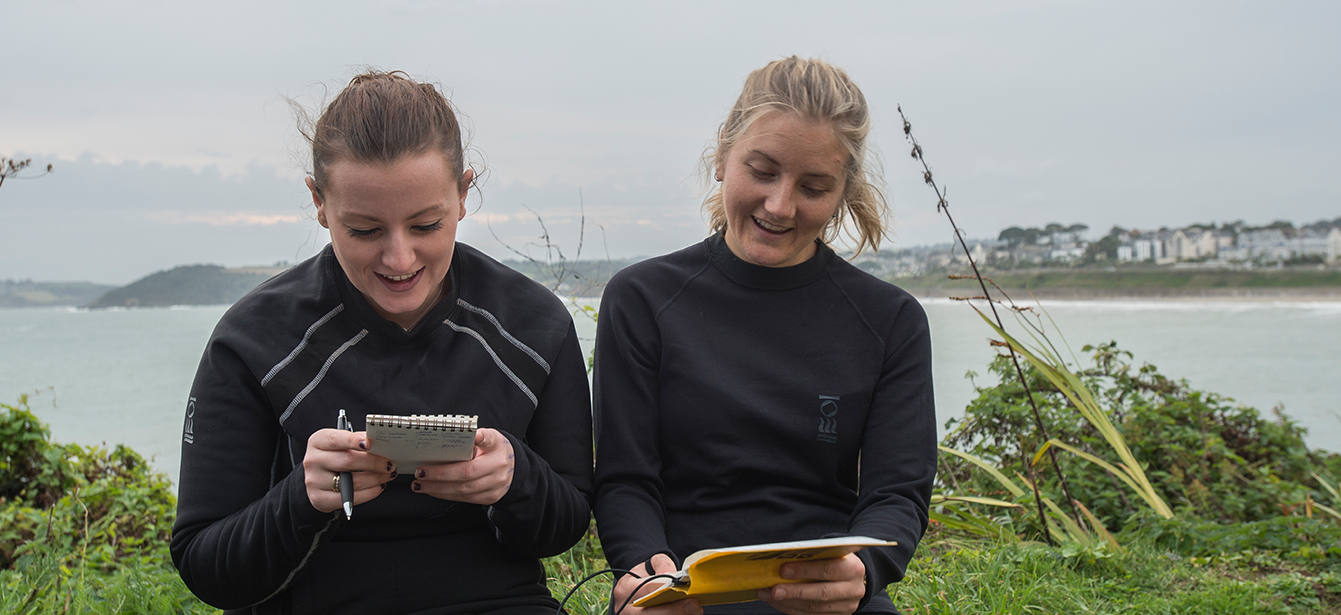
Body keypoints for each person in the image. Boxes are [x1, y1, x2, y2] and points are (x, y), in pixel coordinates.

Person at [170, 71, 594, 614]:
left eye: (426, 225)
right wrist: (303, 498)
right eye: (365, 230)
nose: (399, 260)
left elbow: (567, 523)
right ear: (319, 203)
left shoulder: (534, 325)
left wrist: (516, 478)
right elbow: (205, 565)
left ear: (463, 195)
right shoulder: (253, 339)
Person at [592, 57, 936, 615]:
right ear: (724, 153)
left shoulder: (890, 320)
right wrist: (642, 573)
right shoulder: (643, 298)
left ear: (844, 190)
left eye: (814, 186)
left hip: (823, 593)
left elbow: (896, 493)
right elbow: (625, 479)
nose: (781, 205)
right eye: (764, 170)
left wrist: (863, 573)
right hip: (679, 587)